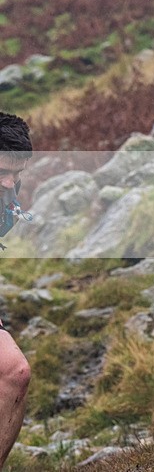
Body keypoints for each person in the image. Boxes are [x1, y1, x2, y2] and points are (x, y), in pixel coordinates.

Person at [0, 113, 33, 467]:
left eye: (17, 173)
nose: (10, 183)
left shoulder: (8, 194)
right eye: (1, 173)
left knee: (14, 372)